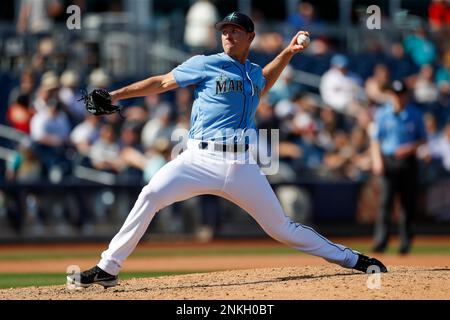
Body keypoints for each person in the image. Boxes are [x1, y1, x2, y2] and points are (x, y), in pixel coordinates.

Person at [67, 12, 387, 289]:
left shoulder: (251, 73)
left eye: (234, 31)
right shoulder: (206, 64)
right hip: (198, 159)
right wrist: (116, 95)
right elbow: (163, 82)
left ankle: (353, 259)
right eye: (224, 31)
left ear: (250, 36)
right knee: (150, 195)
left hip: (240, 165)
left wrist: (288, 51)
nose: (228, 35)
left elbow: (265, 80)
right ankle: (108, 268)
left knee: (281, 229)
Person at [370, 80, 427, 255]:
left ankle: (405, 243)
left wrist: (410, 147)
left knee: (407, 203)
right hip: (388, 160)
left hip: (408, 162)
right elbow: (375, 140)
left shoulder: (415, 114)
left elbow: (423, 139)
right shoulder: (383, 113)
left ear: (405, 95)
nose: (398, 98)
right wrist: (377, 161)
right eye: (395, 94)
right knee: (385, 203)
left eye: (401, 94)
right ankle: (381, 242)